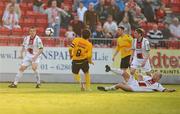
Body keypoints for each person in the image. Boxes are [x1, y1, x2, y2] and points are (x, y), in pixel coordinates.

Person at [97, 65, 176, 92]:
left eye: (156, 75)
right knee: (125, 73)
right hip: (134, 82)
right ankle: (110, 69)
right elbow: (139, 77)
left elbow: (164, 90)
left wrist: (171, 90)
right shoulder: (148, 77)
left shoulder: (157, 85)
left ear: (158, 78)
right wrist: (139, 76)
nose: (154, 75)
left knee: (120, 85)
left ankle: (106, 89)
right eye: (155, 74)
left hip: (134, 88)